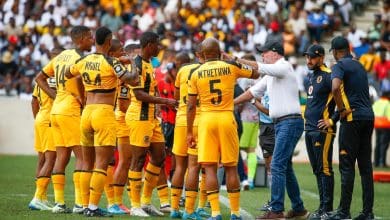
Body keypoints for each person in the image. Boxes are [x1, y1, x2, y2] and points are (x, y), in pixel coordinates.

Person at [67, 26, 139, 217]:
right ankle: (92, 207)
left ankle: (82, 204)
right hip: (104, 114)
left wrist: (82, 94)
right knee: (101, 163)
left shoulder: (83, 60)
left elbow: (68, 74)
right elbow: (132, 79)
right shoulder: (110, 62)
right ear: (109, 41)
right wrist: (131, 62)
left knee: (85, 163)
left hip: (87, 112)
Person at [233, 41, 308, 219]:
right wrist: (231, 103)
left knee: (276, 164)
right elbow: (252, 93)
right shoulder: (272, 74)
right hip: (284, 123)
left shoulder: (284, 66)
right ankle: (298, 209)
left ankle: (276, 210)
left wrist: (235, 59)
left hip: (289, 122)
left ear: (275, 53)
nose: (263, 56)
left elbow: (260, 67)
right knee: (284, 166)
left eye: (264, 53)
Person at [187, 37, 259, 220]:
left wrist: (189, 132)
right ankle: (235, 213)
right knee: (231, 167)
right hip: (227, 118)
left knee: (210, 168)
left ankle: (215, 213)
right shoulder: (231, 67)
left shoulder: (195, 73)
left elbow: (190, 106)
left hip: (207, 121)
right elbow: (257, 73)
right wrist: (233, 59)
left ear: (202, 54)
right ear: (219, 52)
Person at [35, 25, 94, 214]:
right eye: (90, 38)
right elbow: (81, 84)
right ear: (82, 38)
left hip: (56, 110)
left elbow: (39, 78)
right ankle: (79, 203)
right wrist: (81, 99)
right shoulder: (81, 59)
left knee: (62, 157)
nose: (92, 41)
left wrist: (55, 96)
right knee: (83, 157)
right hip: (70, 111)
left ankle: (59, 203)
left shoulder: (61, 56)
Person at [125, 31, 177, 217]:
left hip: (151, 118)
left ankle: (146, 201)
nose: (159, 48)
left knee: (159, 156)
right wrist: (166, 102)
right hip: (139, 116)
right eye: (157, 44)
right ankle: (135, 205)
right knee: (138, 160)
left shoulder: (148, 64)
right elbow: (138, 94)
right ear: (148, 45)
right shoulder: (137, 64)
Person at [328, 36, 375, 220]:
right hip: (368, 117)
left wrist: (341, 110)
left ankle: (343, 211)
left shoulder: (340, 65)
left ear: (335, 51)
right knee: (365, 168)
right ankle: (367, 212)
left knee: (347, 166)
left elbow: (334, 87)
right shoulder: (360, 65)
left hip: (352, 118)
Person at [303, 44, 338, 219]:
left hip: (322, 130)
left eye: (313, 57)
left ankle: (327, 209)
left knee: (324, 168)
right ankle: (322, 207)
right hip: (309, 129)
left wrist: (331, 120)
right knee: (317, 169)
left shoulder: (328, 76)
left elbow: (343, 100)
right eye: (307, 57)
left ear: (321, 58)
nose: (309, 60)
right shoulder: (311, 76)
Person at [28, 47, 63, 211]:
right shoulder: (58, 77)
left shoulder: (43, 76)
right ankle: (37, 197)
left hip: (41, 118)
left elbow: (33, 101)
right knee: (52, 159)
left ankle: (41, 197)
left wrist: (38, 119)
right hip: (50, 119)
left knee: (42, 159)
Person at [111, 41, 137, 215]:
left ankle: (117, 201)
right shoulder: (123, 74)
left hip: (119, 117)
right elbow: (122, 104)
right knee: (125, 160)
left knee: (123, 161)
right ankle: (116, 202)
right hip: (123, 119)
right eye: (132, 54)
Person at [373, 91, 390, 168]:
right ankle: (381, 163)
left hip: (377, 125)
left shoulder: (377, 102)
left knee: (378, 143)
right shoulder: (387, 103)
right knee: (384, 145)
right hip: (385, 126)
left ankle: (376, 162)